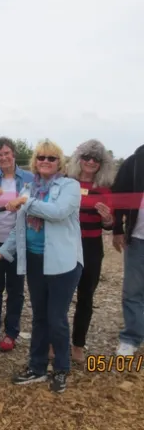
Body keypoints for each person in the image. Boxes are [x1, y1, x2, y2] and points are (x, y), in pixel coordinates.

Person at [0, 139, 83, 393]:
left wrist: (23, 202)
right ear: (35, 162)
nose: (46, 162)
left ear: (59, 162)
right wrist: (2, 252)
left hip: (63, 263)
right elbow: (20, 229)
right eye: (41, 158)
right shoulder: (30, 187)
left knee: (56, 318)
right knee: (39, 316)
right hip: (36, 260)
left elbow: (58, 212)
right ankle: (37, 367)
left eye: (51, 158)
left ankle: (61, 368)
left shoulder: (70, 186)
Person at [0, 137, 34, 352]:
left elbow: (34, 206)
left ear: (14, 154)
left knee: (16, 290)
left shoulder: (29, 178)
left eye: (7, 153)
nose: (3, 157)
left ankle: (11, 333)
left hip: (19, 242)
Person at [66, 139, 114, 363]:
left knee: (85, 297)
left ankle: (78, 344)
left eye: (96, 159)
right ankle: (54, 341)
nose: (91, 162)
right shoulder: (67, 183)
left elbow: (110, 224)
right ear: (79, 159)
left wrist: (107, 218)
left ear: (101, 163)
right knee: (61, 296)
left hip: (92, 246)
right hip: (67, 244)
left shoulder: (105, 189)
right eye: (86, 157)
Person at [111, 143, 144, 356]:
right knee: (133, 291)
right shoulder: (134, 161)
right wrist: (117, 229)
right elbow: (118, 196)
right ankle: (131, 337)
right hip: (138, 237)